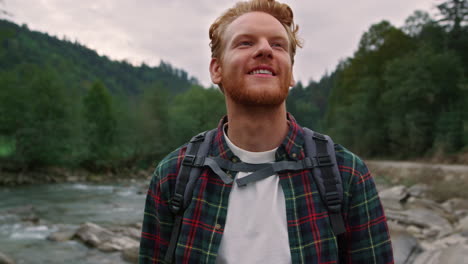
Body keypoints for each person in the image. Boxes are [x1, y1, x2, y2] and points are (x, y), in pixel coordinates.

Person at [139, 0, 393, 263]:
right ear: (217, 70)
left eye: (278, 44)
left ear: (291, 73)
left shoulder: (346, 173)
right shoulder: (174, 175)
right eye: (245, 43)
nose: (264, 50)